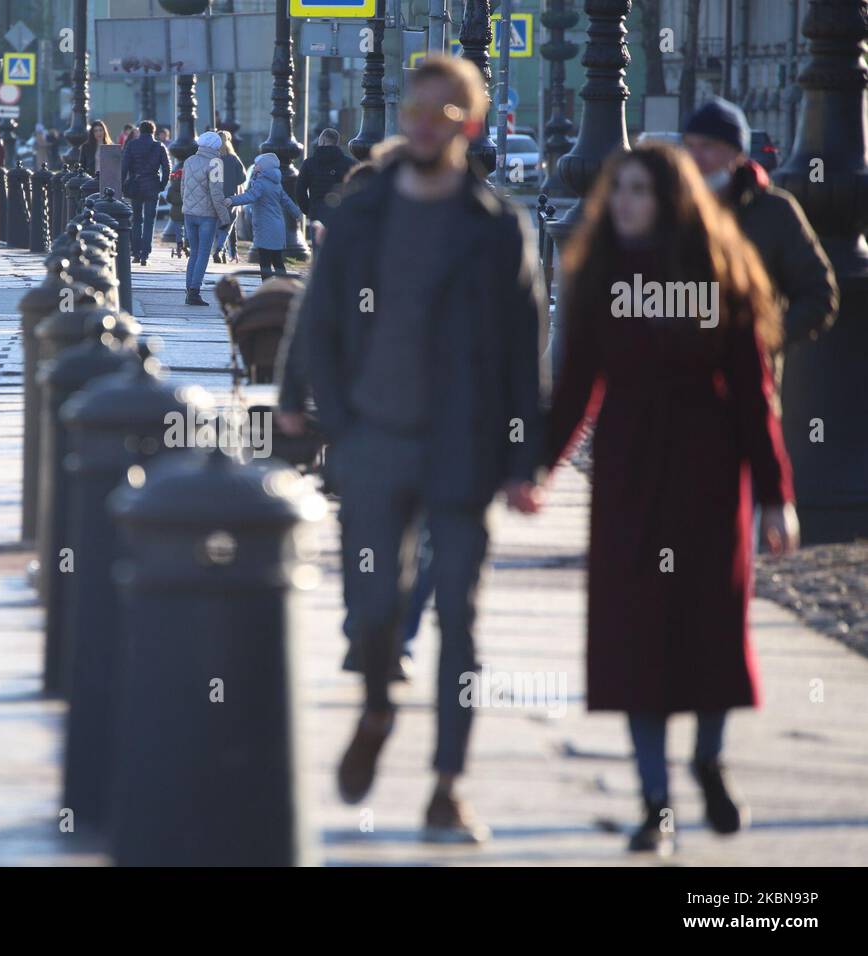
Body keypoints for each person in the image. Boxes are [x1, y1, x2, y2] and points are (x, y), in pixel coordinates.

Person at [276, 55, 546, 842]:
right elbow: (318, 314)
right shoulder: (363, 213)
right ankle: (376, 706)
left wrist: (523, 460)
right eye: (413, 110)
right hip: (371, 439)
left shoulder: (496, 229)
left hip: (463, 452)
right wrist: (299, 404)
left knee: (459, 619)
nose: (423, 125)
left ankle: (446, 785)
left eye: (441, 113)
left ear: (470, 125)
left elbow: (524, 354)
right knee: (373, 609)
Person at [545, 143, 799, 856]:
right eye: (617, 189)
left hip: (710, 480)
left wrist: (776, 497)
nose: (622, 202)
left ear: (672, 201)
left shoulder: (720, 274)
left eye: (637, 191)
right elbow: (575, 388)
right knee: (635, 643)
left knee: (712, 629)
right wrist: (537, 466)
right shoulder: (599, 276)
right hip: (629, 480)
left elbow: (756, 395)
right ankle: (654, 802)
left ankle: (709, 760)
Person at [683, 98, 837, 386]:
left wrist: (765, 337)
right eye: (690, 147)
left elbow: (818, 294)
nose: (696, 159)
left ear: (737, 154)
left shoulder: (774, 212)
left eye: (708, 147)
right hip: (677, 386)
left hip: (748, 383)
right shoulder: (672, 209)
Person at [227, 153, 302, 280]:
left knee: (265, 262)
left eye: (257, 164)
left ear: (263, 168)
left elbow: (250, 196)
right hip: (277, 226)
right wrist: (296, 213)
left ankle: (266, 288)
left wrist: (231, 200)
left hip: (265, 227)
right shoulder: (276, 184)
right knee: (277, 260)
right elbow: (287, 200)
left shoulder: (260, 183)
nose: (255, 166)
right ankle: (284, 287)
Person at [180, 130, 233, 306]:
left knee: (193, 253)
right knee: (203, 253)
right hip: (207, 215)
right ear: (217, 146)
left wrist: (186, 205)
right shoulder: (216, 163)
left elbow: (182, 188)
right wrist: (225, 217)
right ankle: (194, 292)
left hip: (189, 213)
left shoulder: (189, 161)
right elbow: (216, 193)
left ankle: (189, 289)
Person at [120, 119, 171, 265]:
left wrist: (122, 184)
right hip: (152, 186)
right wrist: (162, 184)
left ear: (140, 131)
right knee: (149, 220)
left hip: (136, 185)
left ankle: (136, 252)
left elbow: (124, 167)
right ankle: (145, 253)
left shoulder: (132, 145)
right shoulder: (159, 146)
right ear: (153, 131)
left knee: (137, 220)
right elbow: (167, 168)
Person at [297, 128, 357, 243]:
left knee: (318, 251)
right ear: (336, 143)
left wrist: (308, 210)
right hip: (340, 213)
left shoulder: (309, 164)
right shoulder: (349, 164)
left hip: (317, 212)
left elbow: (300, 190)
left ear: (322, 141)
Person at [211, 130, 246, 264]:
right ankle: (219, 249)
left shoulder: (213, 159)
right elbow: (242, 178)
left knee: (216, 224)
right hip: (230, 197)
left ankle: (219, 249)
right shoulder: (233, 159)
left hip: (214, 196)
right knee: (227, 225)